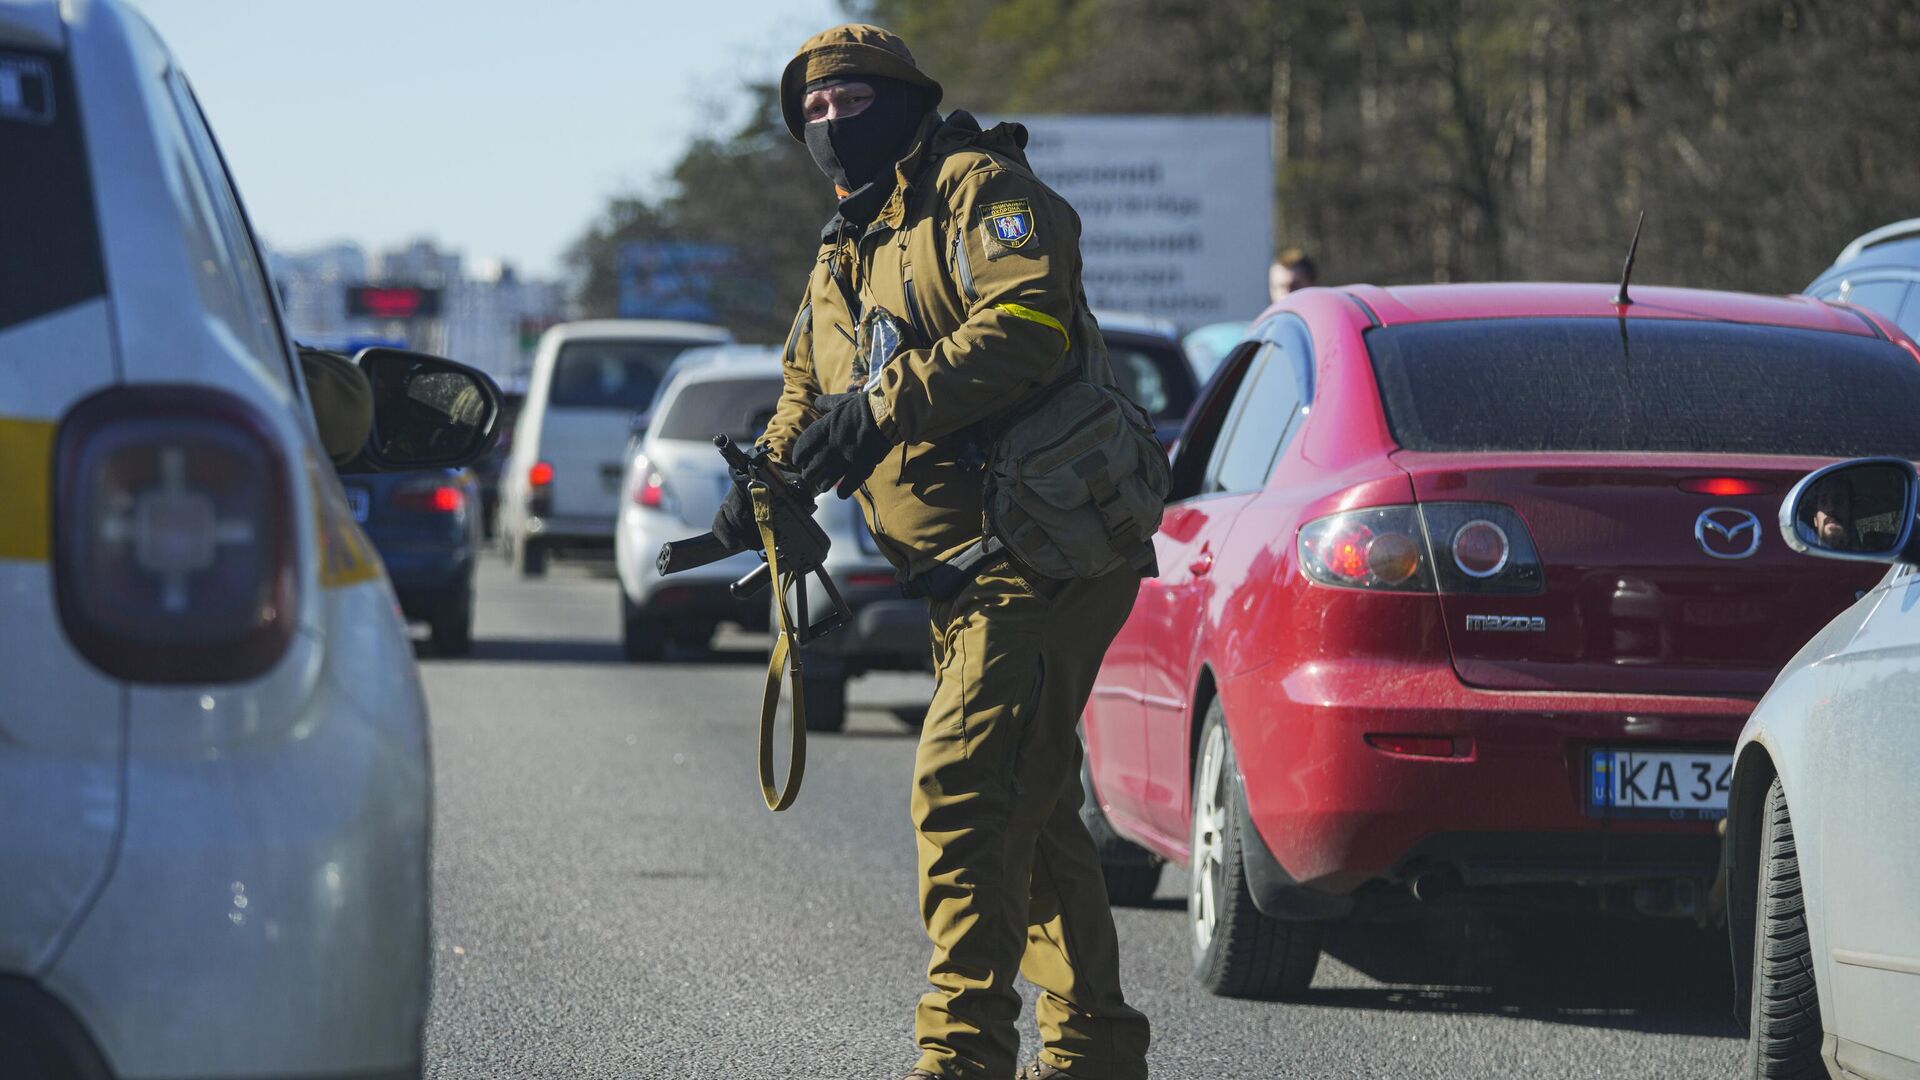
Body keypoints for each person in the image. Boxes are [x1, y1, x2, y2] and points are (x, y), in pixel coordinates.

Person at [708, 24, 1151, 1080]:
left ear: (907, 101)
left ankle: (960, 1059)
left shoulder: (978, 191)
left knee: (963, 793)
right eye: (811, 112)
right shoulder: (838, 252)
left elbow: (1028, 322)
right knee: (1030, 814)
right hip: (953, 579)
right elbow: (805, 395)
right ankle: (1095, 1054)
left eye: (852, 101)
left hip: (1039, 552)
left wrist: (883, 409)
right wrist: (763, 482)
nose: (830, 124)